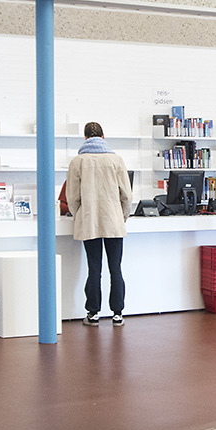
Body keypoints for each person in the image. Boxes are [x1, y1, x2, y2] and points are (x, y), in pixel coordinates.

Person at [65, 121, 132, 325]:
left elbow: (72, 197)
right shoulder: (116, 160)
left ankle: (93, 313)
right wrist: (122, 216)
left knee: (94, 269)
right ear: (103, 136)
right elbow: (127, 195)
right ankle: (118, 314)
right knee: (115, 268)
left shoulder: (77, 162)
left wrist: (79, 215)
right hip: (114, 222)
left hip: (89, 221)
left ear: (85, 138)